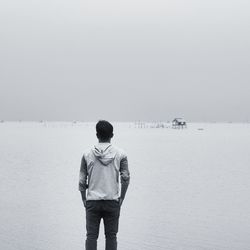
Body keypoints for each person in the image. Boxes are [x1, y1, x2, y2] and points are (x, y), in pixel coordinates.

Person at [79, 120, 130, 250]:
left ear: (97, 135)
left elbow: (81, 180)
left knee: (91, 236)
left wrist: (84, 198)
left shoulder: (86, 154)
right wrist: (122, 197)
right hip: (112, 201)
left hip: (92, 201)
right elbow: (125, 178)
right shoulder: (121, 154)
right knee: (111, 236)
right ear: (112, 135)